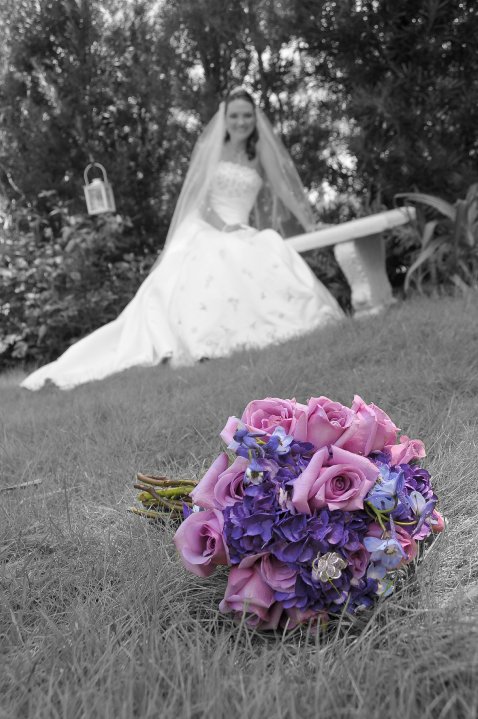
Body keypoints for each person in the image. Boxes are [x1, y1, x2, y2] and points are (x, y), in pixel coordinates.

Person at [21, 88, 344, 391]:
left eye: (247, 116)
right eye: (235, 116)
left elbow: (284, 189)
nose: (241, 122)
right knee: (216, 258)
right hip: (207, 225)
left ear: (255, 117)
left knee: (268, 247)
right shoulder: (211, 148)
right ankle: (202, 337)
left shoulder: (258, 151)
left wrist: (310, 222)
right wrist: (223, 227)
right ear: (225, 117)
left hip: (241, 228)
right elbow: (199, 200)